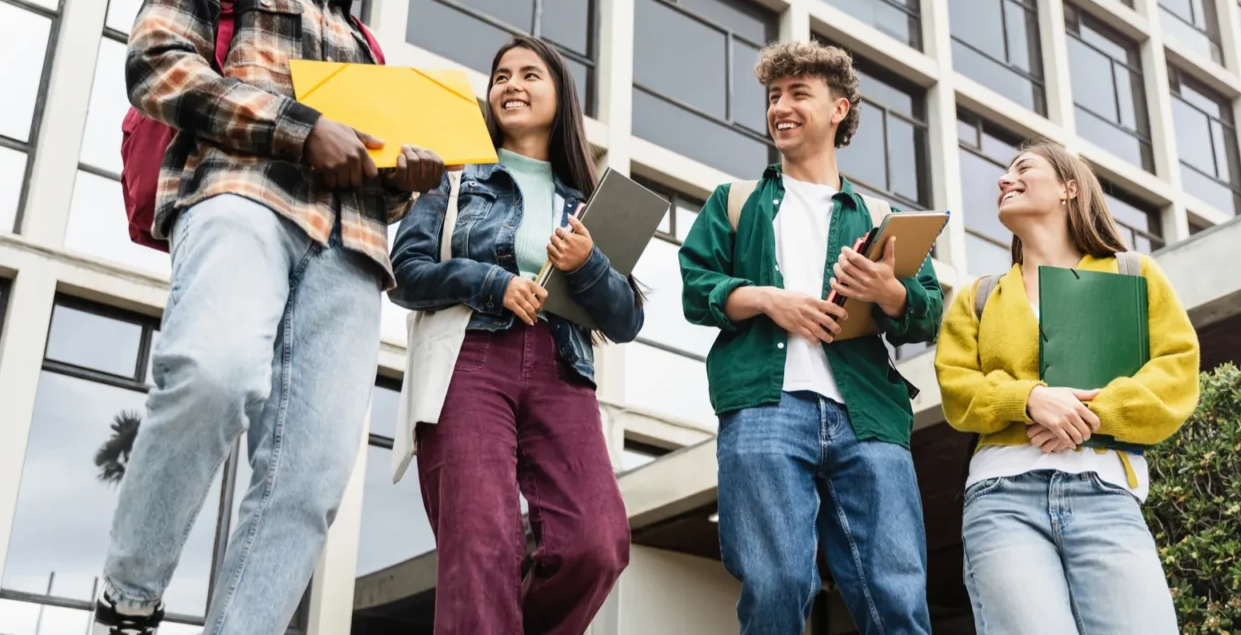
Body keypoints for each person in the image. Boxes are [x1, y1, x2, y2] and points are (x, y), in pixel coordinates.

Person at [92, 0, 445, 634]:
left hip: (352, 250)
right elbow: (158, 66)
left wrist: (408, 177)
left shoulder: (368, 48)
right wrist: (298, 127)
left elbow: (378, 175)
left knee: (309, 480)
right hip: (242, 196)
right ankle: (127, 605)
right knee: (212, 371)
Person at [678, 40, 941, 635]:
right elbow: (697, 287)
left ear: (839, 109)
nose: (781, 107)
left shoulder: (880, 217)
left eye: (799, 93)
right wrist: (771, 300)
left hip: (869, 414)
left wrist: (887, 291)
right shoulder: (736, 202)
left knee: (896, 596)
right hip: (765, 408)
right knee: (778, 585)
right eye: (774, 96)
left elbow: (928, 314)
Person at [388, 34, 643, 634]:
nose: (512, 85)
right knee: (482, 546)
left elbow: (626, 320)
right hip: (471, 361)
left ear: (560, 98)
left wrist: (588, 264)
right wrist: (491, 283)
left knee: (597, 544)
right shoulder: (454, 177)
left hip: (563, 370)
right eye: (502, 75)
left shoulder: (586, 205)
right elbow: (405, 273)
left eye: (530, 75)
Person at [934, 137, 1200, 635]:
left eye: (1023, 168)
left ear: (1068, 188)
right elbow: (956, 388)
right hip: (1001, 498)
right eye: (1004, 172)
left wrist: (1085, 415)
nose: (1003, 179)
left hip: (1105, 493)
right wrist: (1029, 399)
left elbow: (1176, 372)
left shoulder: (1132, 274)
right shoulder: (979, 296)